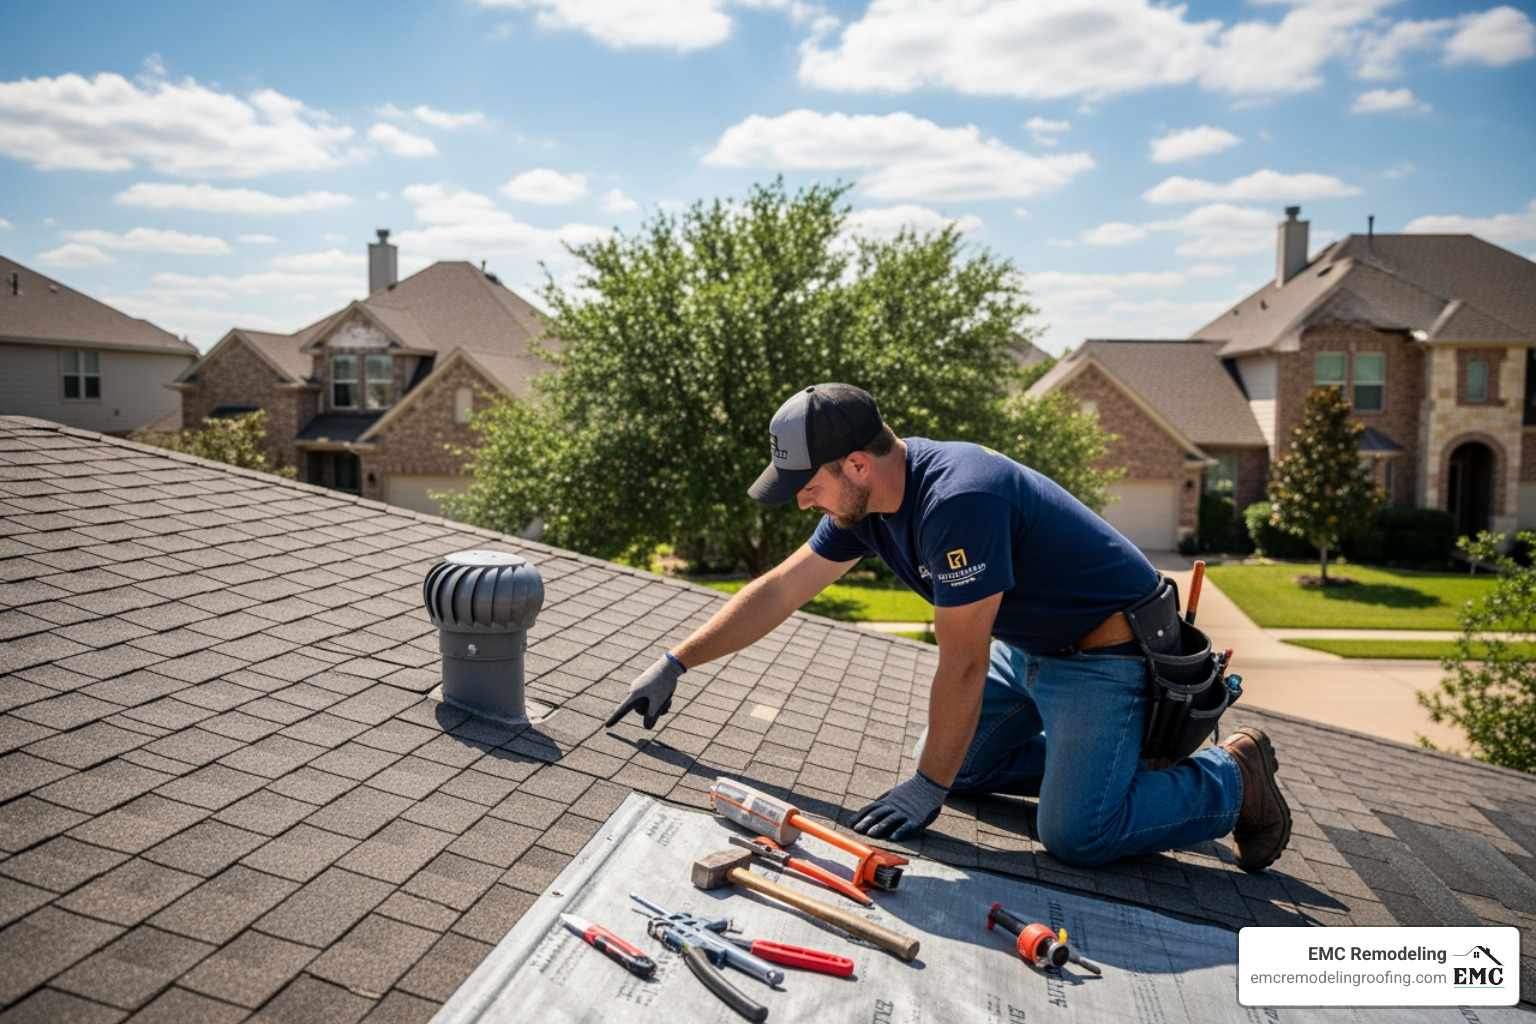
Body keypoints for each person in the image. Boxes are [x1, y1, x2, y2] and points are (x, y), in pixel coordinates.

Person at [606, 383, 1291, 872]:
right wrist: (675, 662)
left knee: (1076, 834)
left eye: (805, 484)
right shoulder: (863, 508)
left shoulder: (958, 499)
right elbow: (780, 590)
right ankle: (1117, 766)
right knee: (952, 758)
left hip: (1107, 658)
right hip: (1032, 650)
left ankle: (1232, 778)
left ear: (856, 464)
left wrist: (930, 791)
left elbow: (962, 661)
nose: (803, 500)